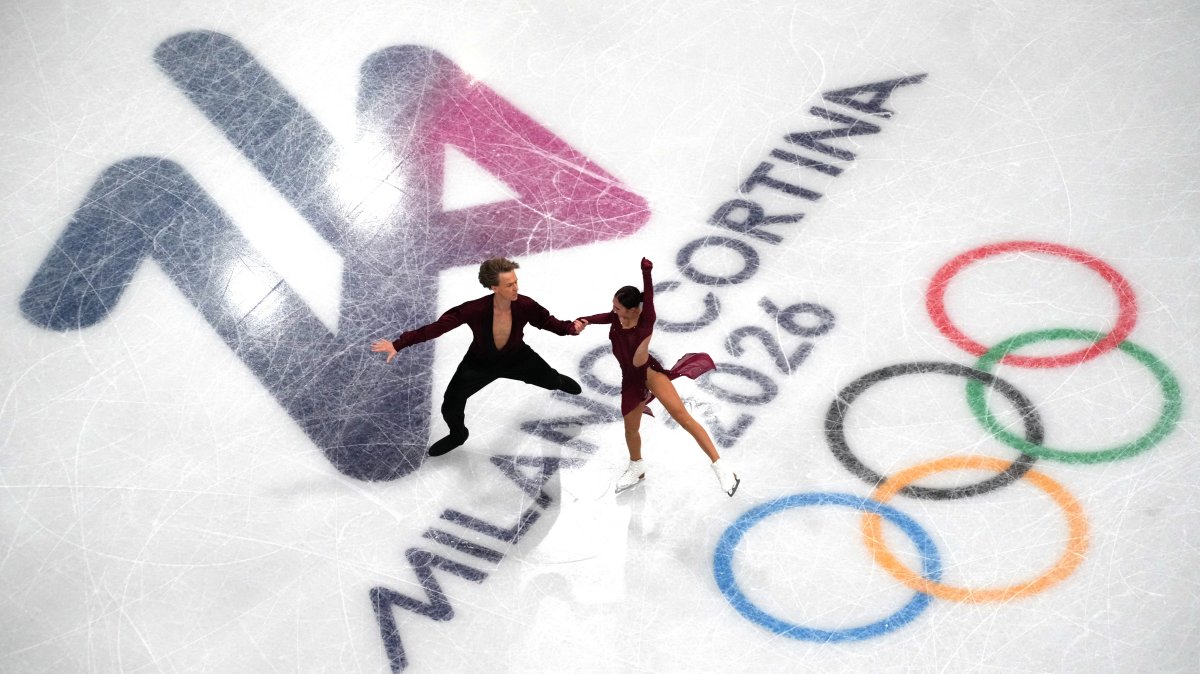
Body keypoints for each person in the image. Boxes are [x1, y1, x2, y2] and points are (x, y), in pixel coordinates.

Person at [372, 257, 584, 456]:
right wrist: (398, 344)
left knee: (551, 381)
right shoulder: (474, 309)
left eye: (516, 282)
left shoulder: (526, 305)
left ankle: (557, 380)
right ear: (494, 287)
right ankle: (458, 435)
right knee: (450, 405)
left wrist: (571, 329)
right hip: (479, 364)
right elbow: (436, 328)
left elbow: (547, 321)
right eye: (509, 285)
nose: (516, 288)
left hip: (519, 359)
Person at [576, 258, 740, 496]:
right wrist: (584, 320)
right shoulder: (615, 318)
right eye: (613, 307)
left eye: (618, 308)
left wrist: (646, 272)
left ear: (633, 309)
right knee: (630, 429)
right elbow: (599, 317)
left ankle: (722, 468)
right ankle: (637, 467)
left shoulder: (645, 323)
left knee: (683, 417)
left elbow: (649, 297)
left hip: (649, 374)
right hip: (630, 381)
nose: (614, 311)